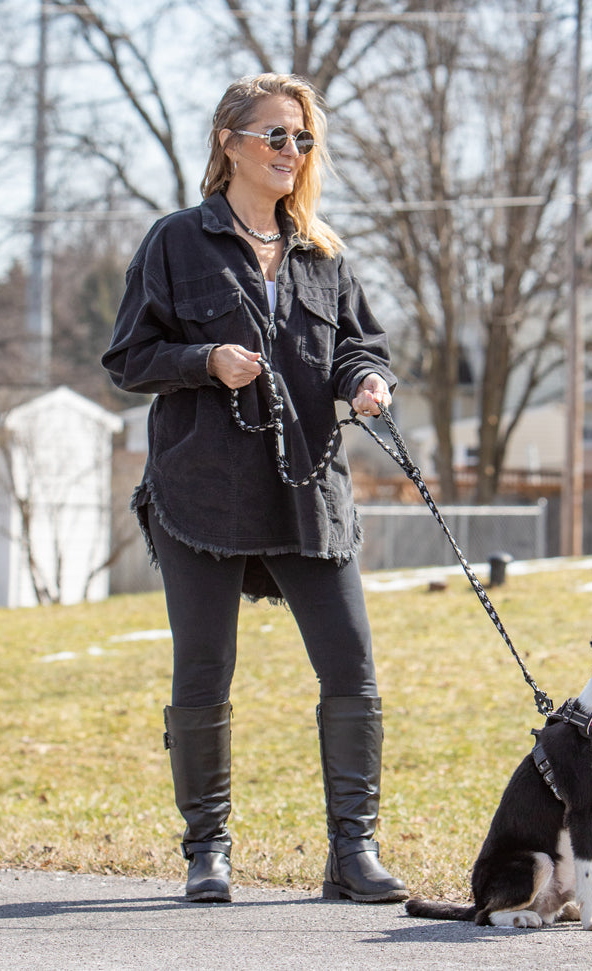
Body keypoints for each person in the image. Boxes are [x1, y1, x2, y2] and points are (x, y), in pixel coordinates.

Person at [102, 73, 406, 905]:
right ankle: (207, 850)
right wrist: (204, 361)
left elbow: (358, 345)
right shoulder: (176, 240)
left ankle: (354, 851)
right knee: (203, 671)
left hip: (311, 491)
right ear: (229, 141)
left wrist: (367, 381)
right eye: (275, 135)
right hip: (201, 492)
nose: (290, 152)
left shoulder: (321, 251)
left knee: (352, 671)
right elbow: (129, 359)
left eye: (302, 140)